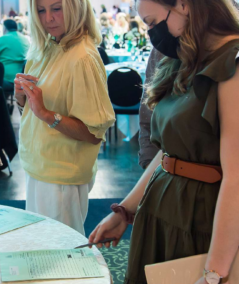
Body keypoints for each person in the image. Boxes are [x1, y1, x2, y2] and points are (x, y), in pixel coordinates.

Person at [89, 0, 239, 284]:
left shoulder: (232, 63)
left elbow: (237, 179)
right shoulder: (186, 59)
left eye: (152, 22)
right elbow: (170, 152)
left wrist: (213, 273)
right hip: (162, 208)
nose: (151, 33)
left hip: (202, 218)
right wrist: (125, 210)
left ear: (183, 5)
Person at [15, 0, 115, 235]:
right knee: (42, 250)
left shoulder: (82, 58)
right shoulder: (47, 47)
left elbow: (93, 133)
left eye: (56, 8)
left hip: (60, 176)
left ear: (74, 8)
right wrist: (21, 96)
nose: (48, 18)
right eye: (41, 10)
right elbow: (30, 109)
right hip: (39, 167)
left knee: (60, 258)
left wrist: (46, 114)